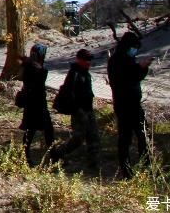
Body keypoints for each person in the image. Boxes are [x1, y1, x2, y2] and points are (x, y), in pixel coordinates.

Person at [108, 31, 152, 178]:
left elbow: (136, 77)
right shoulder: (117, 60)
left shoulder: (128, 59)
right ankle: (125, 170)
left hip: (133, 103)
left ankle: (146, 167)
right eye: (133, 47)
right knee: (125, 138)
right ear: (127, 46)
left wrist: (143, 67)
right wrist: (139, 67)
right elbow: (126, 78)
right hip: (124, 104)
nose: (135, 50)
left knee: (144, 136)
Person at [50, 48, 100, 167]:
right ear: (79, 60)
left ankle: (93, 162)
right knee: (78, 138)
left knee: (93, 136)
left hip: (88, 110)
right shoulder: (74, 73)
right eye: (86, 60)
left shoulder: (85, 73)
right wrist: (77, 109)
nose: (88, 62)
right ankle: (59, 153)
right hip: (79, 111)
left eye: (90, 60)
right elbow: (69, 93)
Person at [18, 43, 54, 164]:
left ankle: (53, 157)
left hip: (34, 103)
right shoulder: (34, 67)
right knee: (35, 132)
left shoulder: (29, 65)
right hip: (36, 104)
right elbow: (41, 76)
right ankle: (26, 158)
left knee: (38, 131)